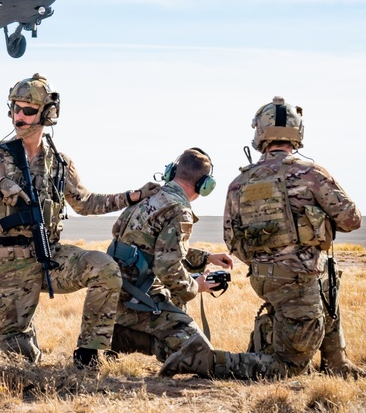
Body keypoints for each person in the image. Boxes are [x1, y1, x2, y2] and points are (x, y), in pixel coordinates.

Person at [0, 73, 157, 368]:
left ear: (47, 114)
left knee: (105, 269)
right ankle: (27, 348)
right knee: (19, 356)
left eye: (28, 110)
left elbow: (86, 202)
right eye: (15, 108)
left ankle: (88, 354)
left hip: (50, 255)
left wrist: (133, 195)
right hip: (9, 264)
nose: (19, 117)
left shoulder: (59, 161)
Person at [224, 96, 366, 378]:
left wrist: (266, 259)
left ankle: (336, 364)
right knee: (287, 369)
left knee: (327, 283)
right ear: (298, 133)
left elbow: (232, 240)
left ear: (260, 134)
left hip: (263, 278)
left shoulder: (240, 182)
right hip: (298, 279)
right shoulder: (310, 173)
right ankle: (206, 361)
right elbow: (352, 220)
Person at [110, 148, 282, 379]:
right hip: (139, 301)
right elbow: (167, 267)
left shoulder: (149, 197)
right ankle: (125, 334)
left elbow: (155, 248)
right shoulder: (179, 210)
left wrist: (205, 257)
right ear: (204, 185)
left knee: (180, 301)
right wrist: (196, 286)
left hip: (119, 292)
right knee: (200, 354)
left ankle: (121, 334)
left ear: (172, 172)